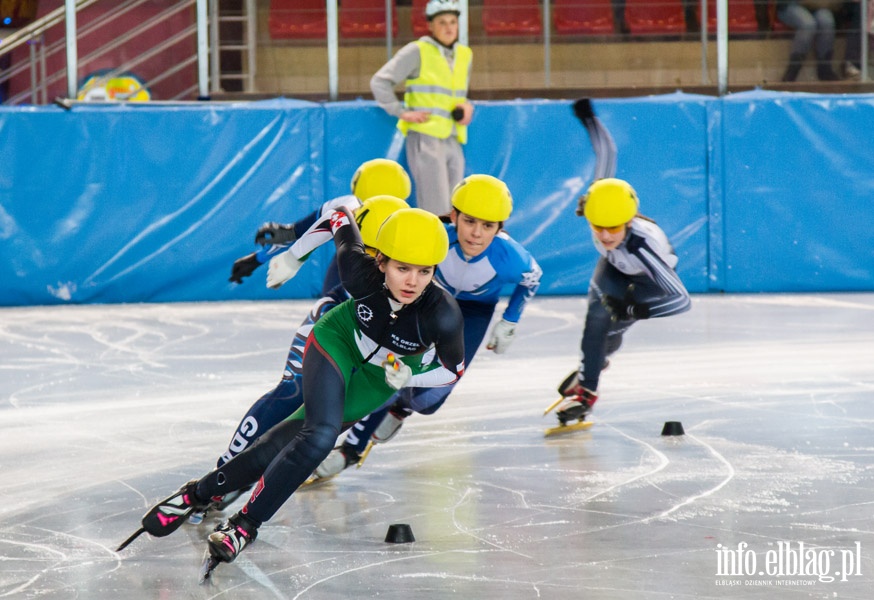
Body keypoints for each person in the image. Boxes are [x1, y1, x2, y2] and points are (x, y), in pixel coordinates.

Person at [124, 206, 465, 571]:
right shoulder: (359, 270)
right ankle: (244, 527)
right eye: (403, 268)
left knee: (281, 444)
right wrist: (293, 255)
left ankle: (196, 493)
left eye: (424, 271)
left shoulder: (441, 313)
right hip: (338, 340)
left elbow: (451, 372)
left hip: (383, 376)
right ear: (380, 261)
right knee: (319, 437)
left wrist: (408, 378)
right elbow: (337, 214)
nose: (412, 281)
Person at [313, 174, 542, 480]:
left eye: (488, 226)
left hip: (473, 313)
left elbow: (532, 278)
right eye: (470, 221)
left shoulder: (511, 257)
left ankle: (401, 410)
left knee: (429, 400)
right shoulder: (434, 235)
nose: (476, 234)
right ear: (455, 215)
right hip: (422, 300)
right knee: (386, 377)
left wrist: (510, 319)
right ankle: (350, 450)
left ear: (500, 228)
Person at [552, 177, 691, 427]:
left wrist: (634, 308)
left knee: (611, 328)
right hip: (616, 266)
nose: (605, 235)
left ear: (629, 221)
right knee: (596, 321)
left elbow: (681, 300)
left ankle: (596, 360)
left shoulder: (643, 246)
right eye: (598, 227)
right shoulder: (600, 210)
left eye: (614, 228)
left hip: (650, 281)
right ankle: (587, 389)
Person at [370, 0, 473, 217]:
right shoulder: (417, 51)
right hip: (425, 138)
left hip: (453, 138)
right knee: (436, 210)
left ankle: (450, 250)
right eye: (442, 22)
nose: (449, 27)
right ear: (430, 26)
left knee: (457, 209)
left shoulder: (464, 55)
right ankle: (435, 251)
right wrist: (400, 111)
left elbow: (457, 94)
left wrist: (467, 107)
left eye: (453, 22)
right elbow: (379, 82)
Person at [776, 0, 842, 81]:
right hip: (790, 5)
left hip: (817, 5)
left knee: (827, 22)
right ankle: (793, 70)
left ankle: (825, 69)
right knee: (808, 25)